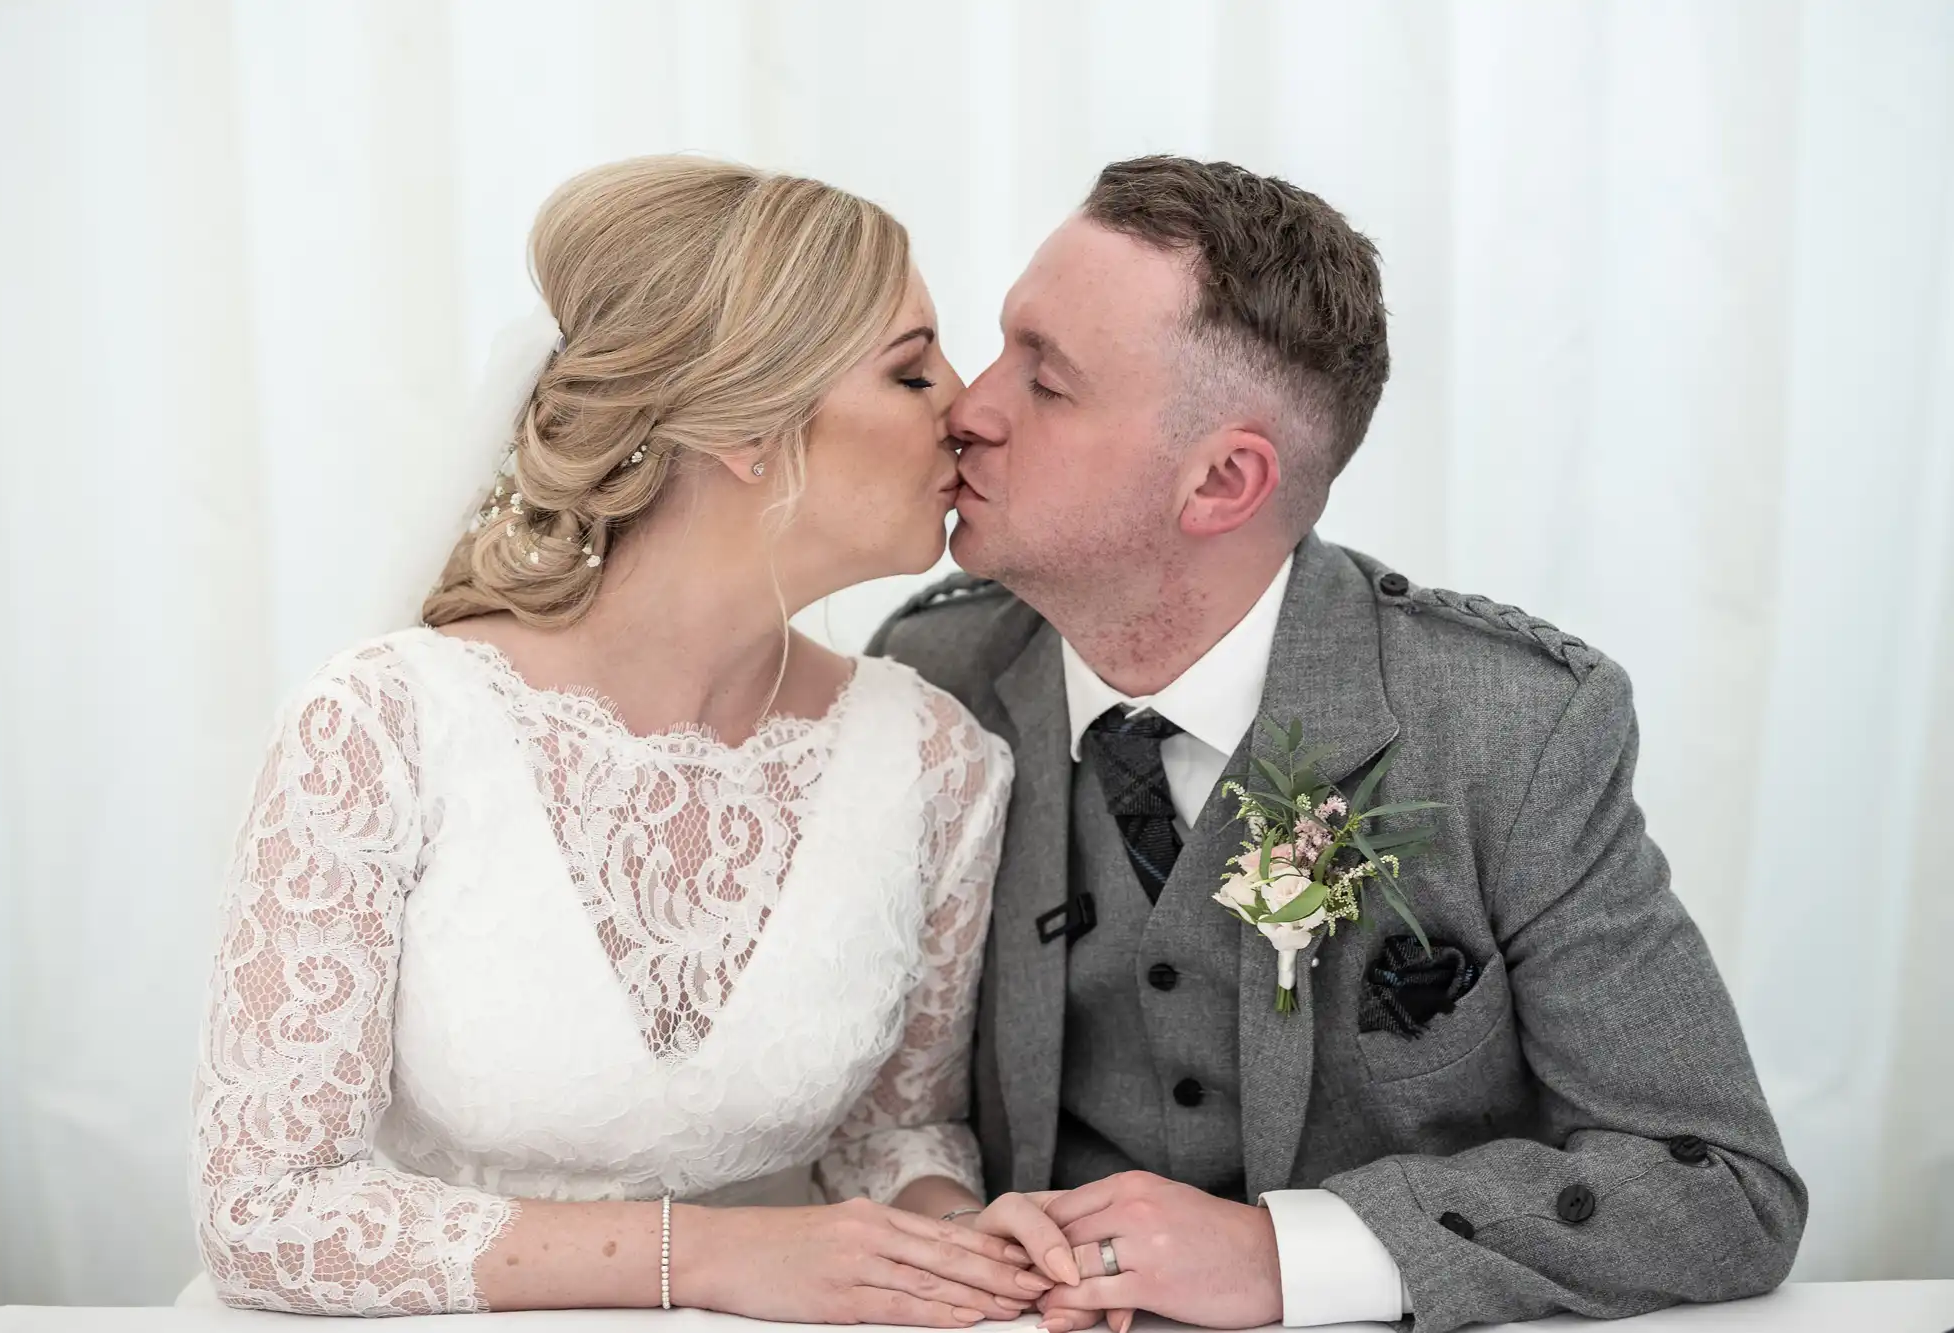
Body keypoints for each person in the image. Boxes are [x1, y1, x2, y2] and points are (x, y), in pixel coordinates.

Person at [872, 155, 1808, 1333]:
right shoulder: (926, 678)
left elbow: (1717, 1184)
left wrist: (1292, 1257)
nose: (968, 406)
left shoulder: (1510, 728)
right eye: (999, 342)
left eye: (1043, 382)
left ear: (1221, 480)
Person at [187, 156, 1080, 1319]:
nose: (965, 407)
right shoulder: (384, 729)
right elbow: (266, 1207)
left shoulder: (937, 761)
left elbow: (894, 1128)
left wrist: (948, 1236)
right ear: (751, 429)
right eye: (911, 371)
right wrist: (708, 1256)